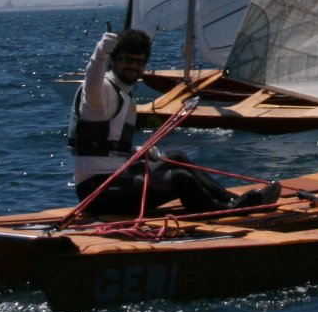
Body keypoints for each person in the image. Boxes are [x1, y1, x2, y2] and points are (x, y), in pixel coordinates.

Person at [68, 27, 276, 214]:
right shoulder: (102, 90)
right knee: (179, 178)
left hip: (118, 178)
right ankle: (222, 211)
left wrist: (136, 151)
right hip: (97, 192)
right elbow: (91, 85)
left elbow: (107, 143)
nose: (133, 66)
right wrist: (99, 54)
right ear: (113, 60)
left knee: (177, 156)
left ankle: (231, 199)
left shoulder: (124, 93)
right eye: (127, 60)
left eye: (139, 62)